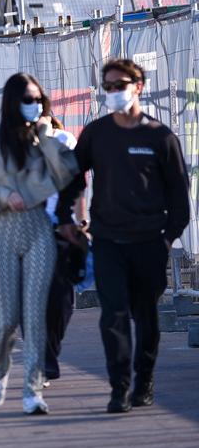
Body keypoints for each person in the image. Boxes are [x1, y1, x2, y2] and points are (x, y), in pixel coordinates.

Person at [56, 58, 189, 413]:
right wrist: (65, 216)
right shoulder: (97, 133)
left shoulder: (160, 137)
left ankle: (144, 380)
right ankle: (120, 387)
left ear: (138, 86)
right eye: (109, 87)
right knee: (112, 313)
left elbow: (180, 198)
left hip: (149, 242)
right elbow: (72, 176)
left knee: (145, 315)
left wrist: (166, 239)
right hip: (108, 241)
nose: (114, 92)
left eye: (121, 85)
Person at [0, 73, 78, 415]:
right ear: (12, 102)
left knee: (36, 314)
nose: (34, 105)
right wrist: (0, 195)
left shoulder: (46, 141)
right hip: (0, 229)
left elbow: (69, 173)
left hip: (39, 226)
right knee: (7, 316)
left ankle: (33, 391)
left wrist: (44, 133)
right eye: (27, 99)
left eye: (38, 99)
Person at [40, 104, 89, 386]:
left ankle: (50, 351)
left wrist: (82, 222)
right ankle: (42, 359)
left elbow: (77, 184)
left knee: (60, 298)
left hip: (60, 227)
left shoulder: (63, 140)